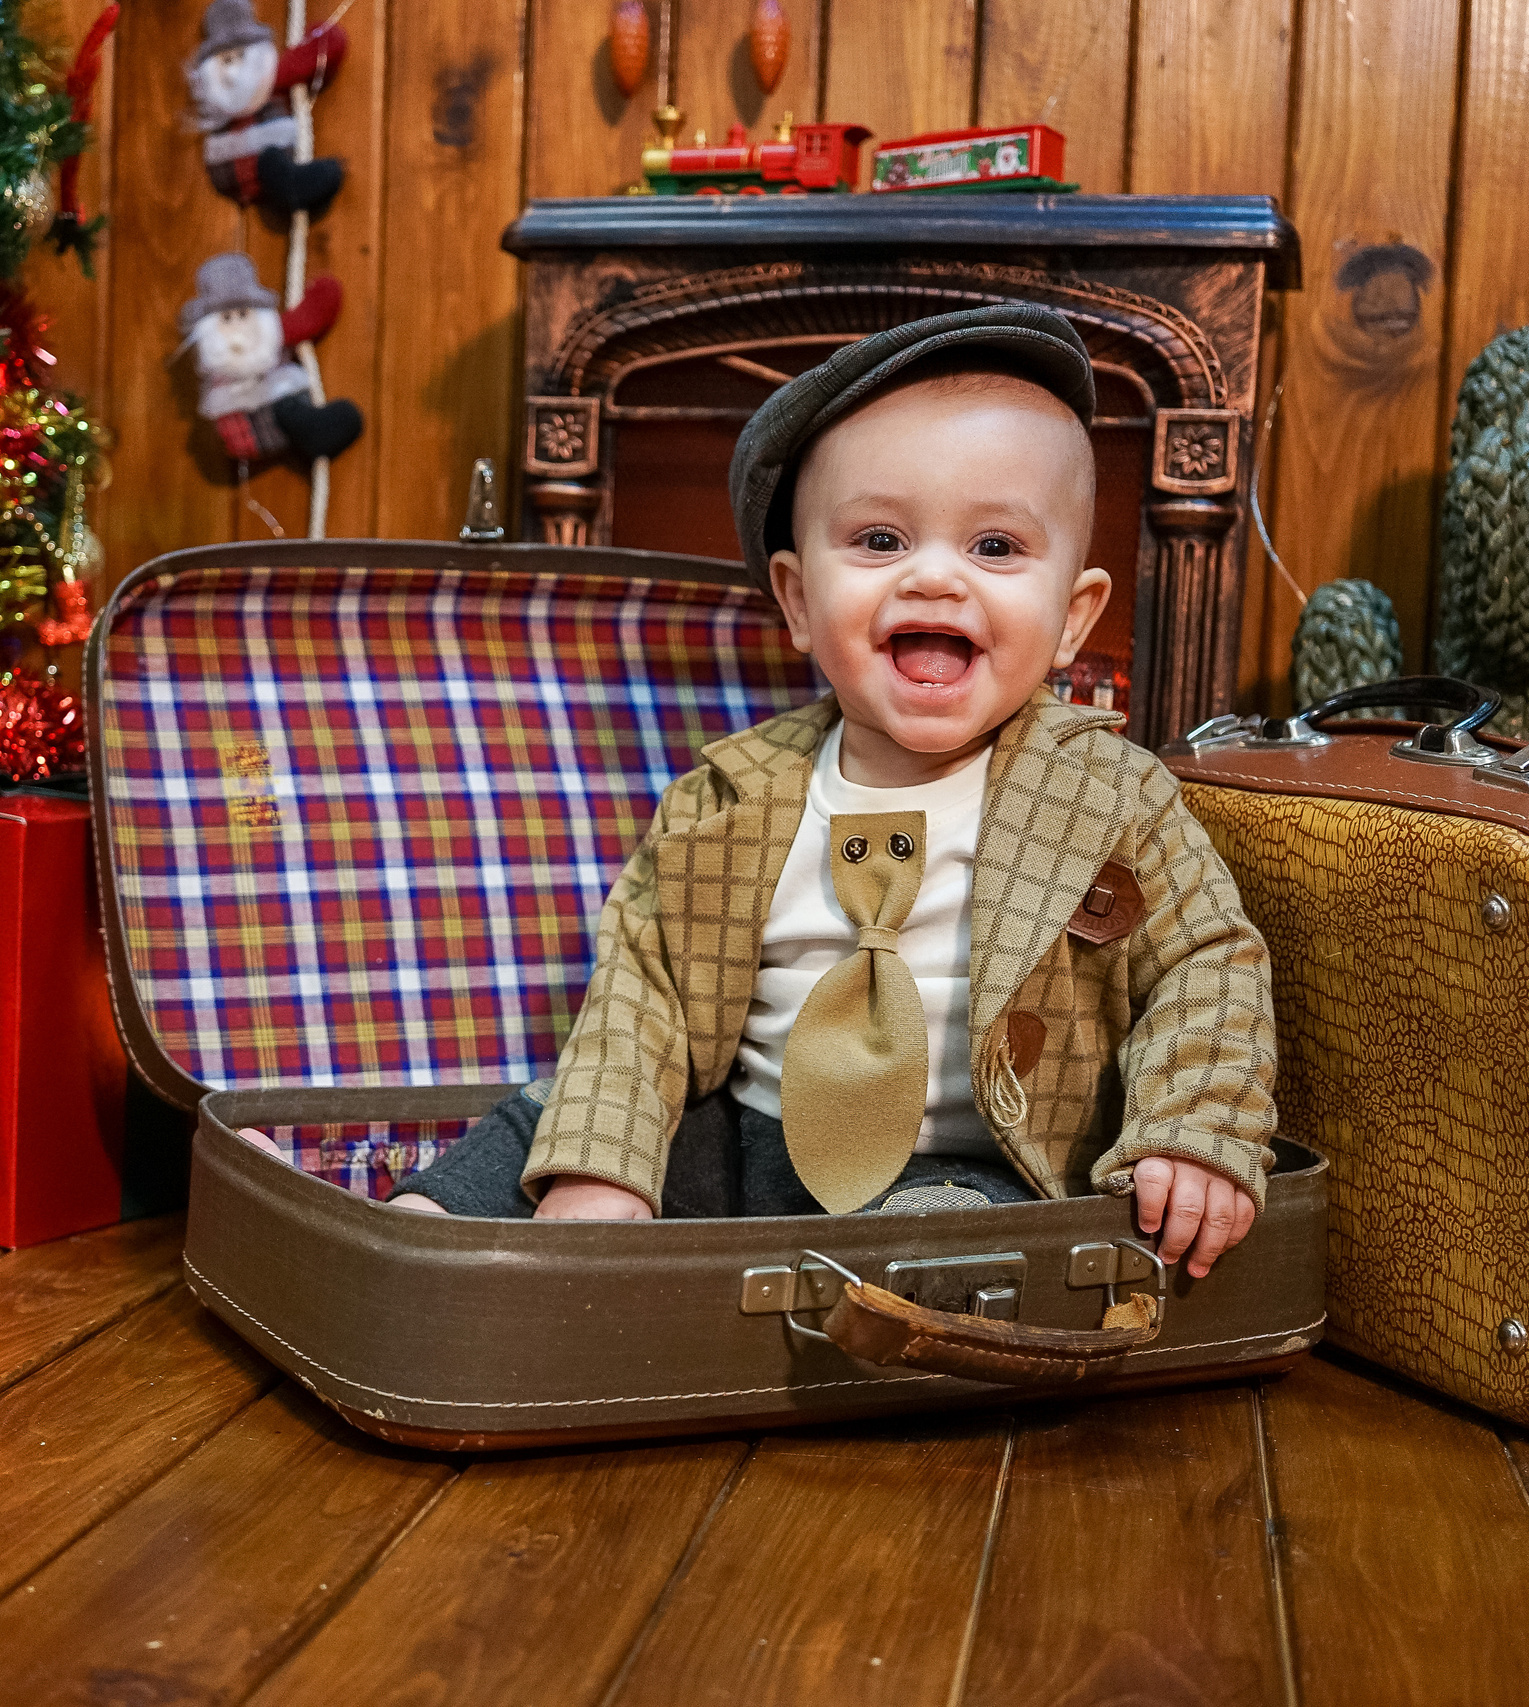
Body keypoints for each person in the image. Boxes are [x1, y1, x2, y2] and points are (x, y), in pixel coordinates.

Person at [252, 305, 1279, 1278]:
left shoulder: (1111, 793)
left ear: (1071, 616)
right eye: (878, 541)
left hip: (982, 1160)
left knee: (942, 1240)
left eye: (995, 547)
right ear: (796, 598)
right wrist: (601, 1168)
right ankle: (400, 1241)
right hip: (741, 1140)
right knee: (550, 1120)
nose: (933, 579)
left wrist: (1189, 1132)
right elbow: (640, 1000)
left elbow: (1204, 968)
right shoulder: (731, 793)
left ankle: (897, 1276)